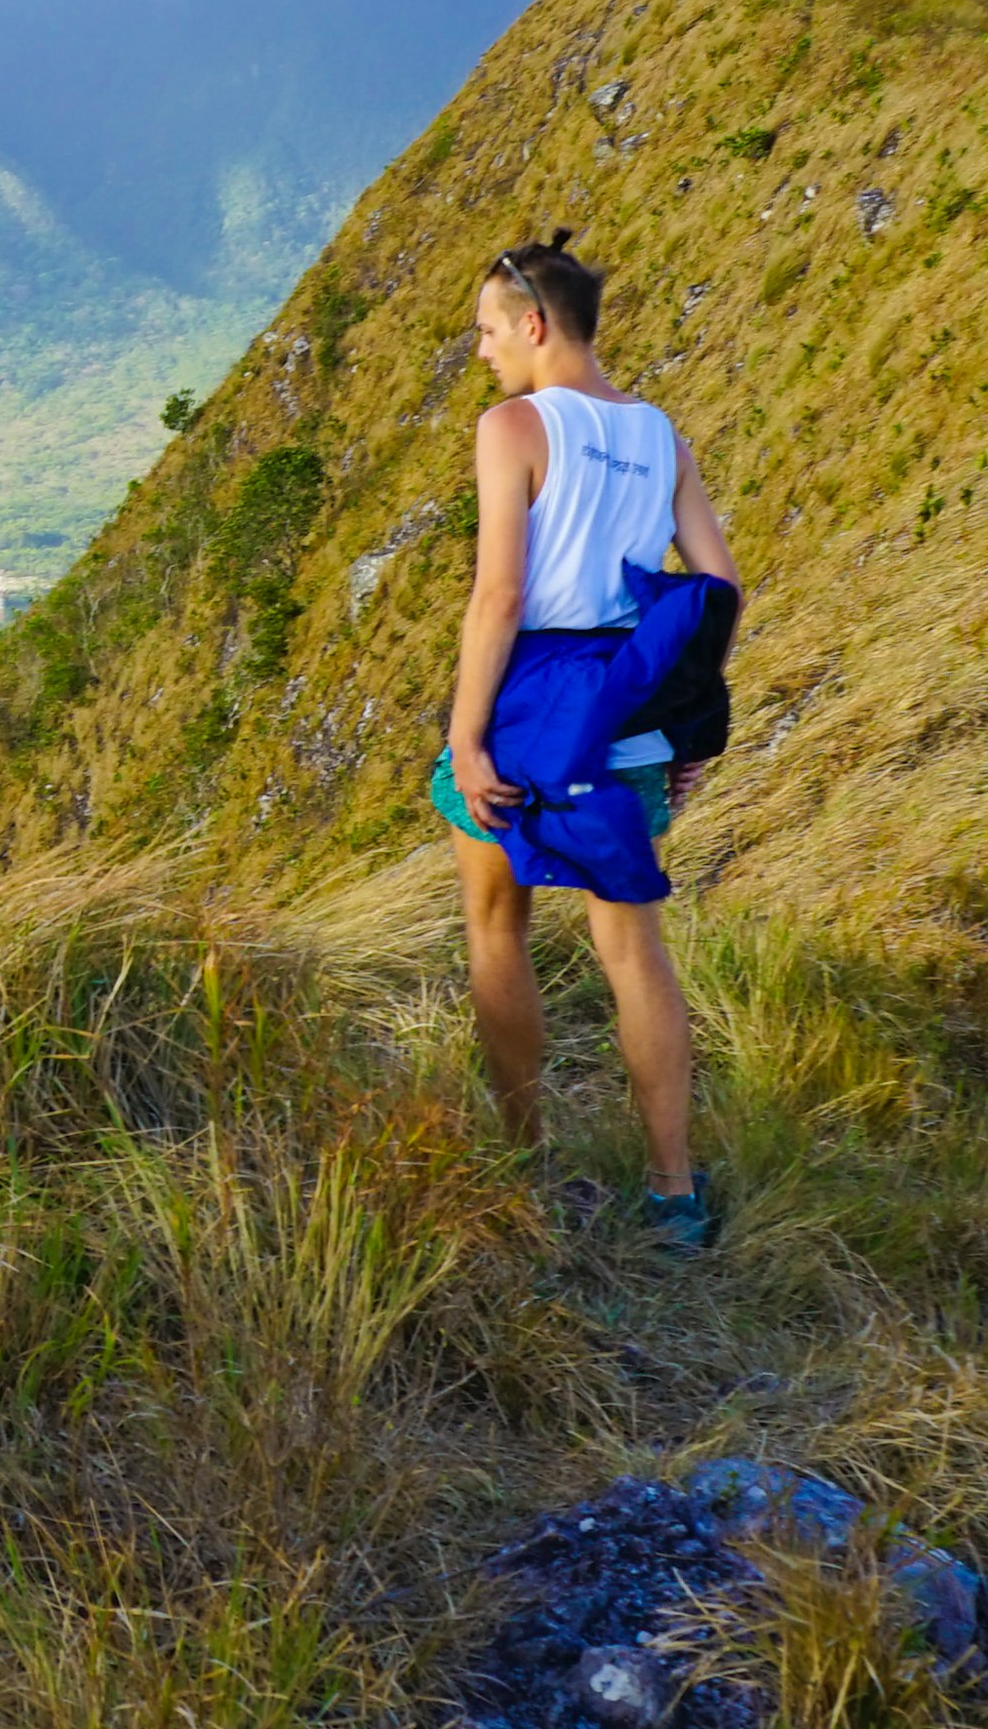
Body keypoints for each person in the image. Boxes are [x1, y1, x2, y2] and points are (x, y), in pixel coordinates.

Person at [438, 232, 742, 1252]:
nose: (480, 350)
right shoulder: (664, 437)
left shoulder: (513, 425)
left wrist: (464, 735)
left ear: (532, 324)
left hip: (532, 706)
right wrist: (690, 720)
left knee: (497, 925)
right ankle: (672, 1190)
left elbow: (501, 595)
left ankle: (523, 1163)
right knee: (632, 944)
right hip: (633, 712)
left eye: (486, 330)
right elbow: (719, 587)